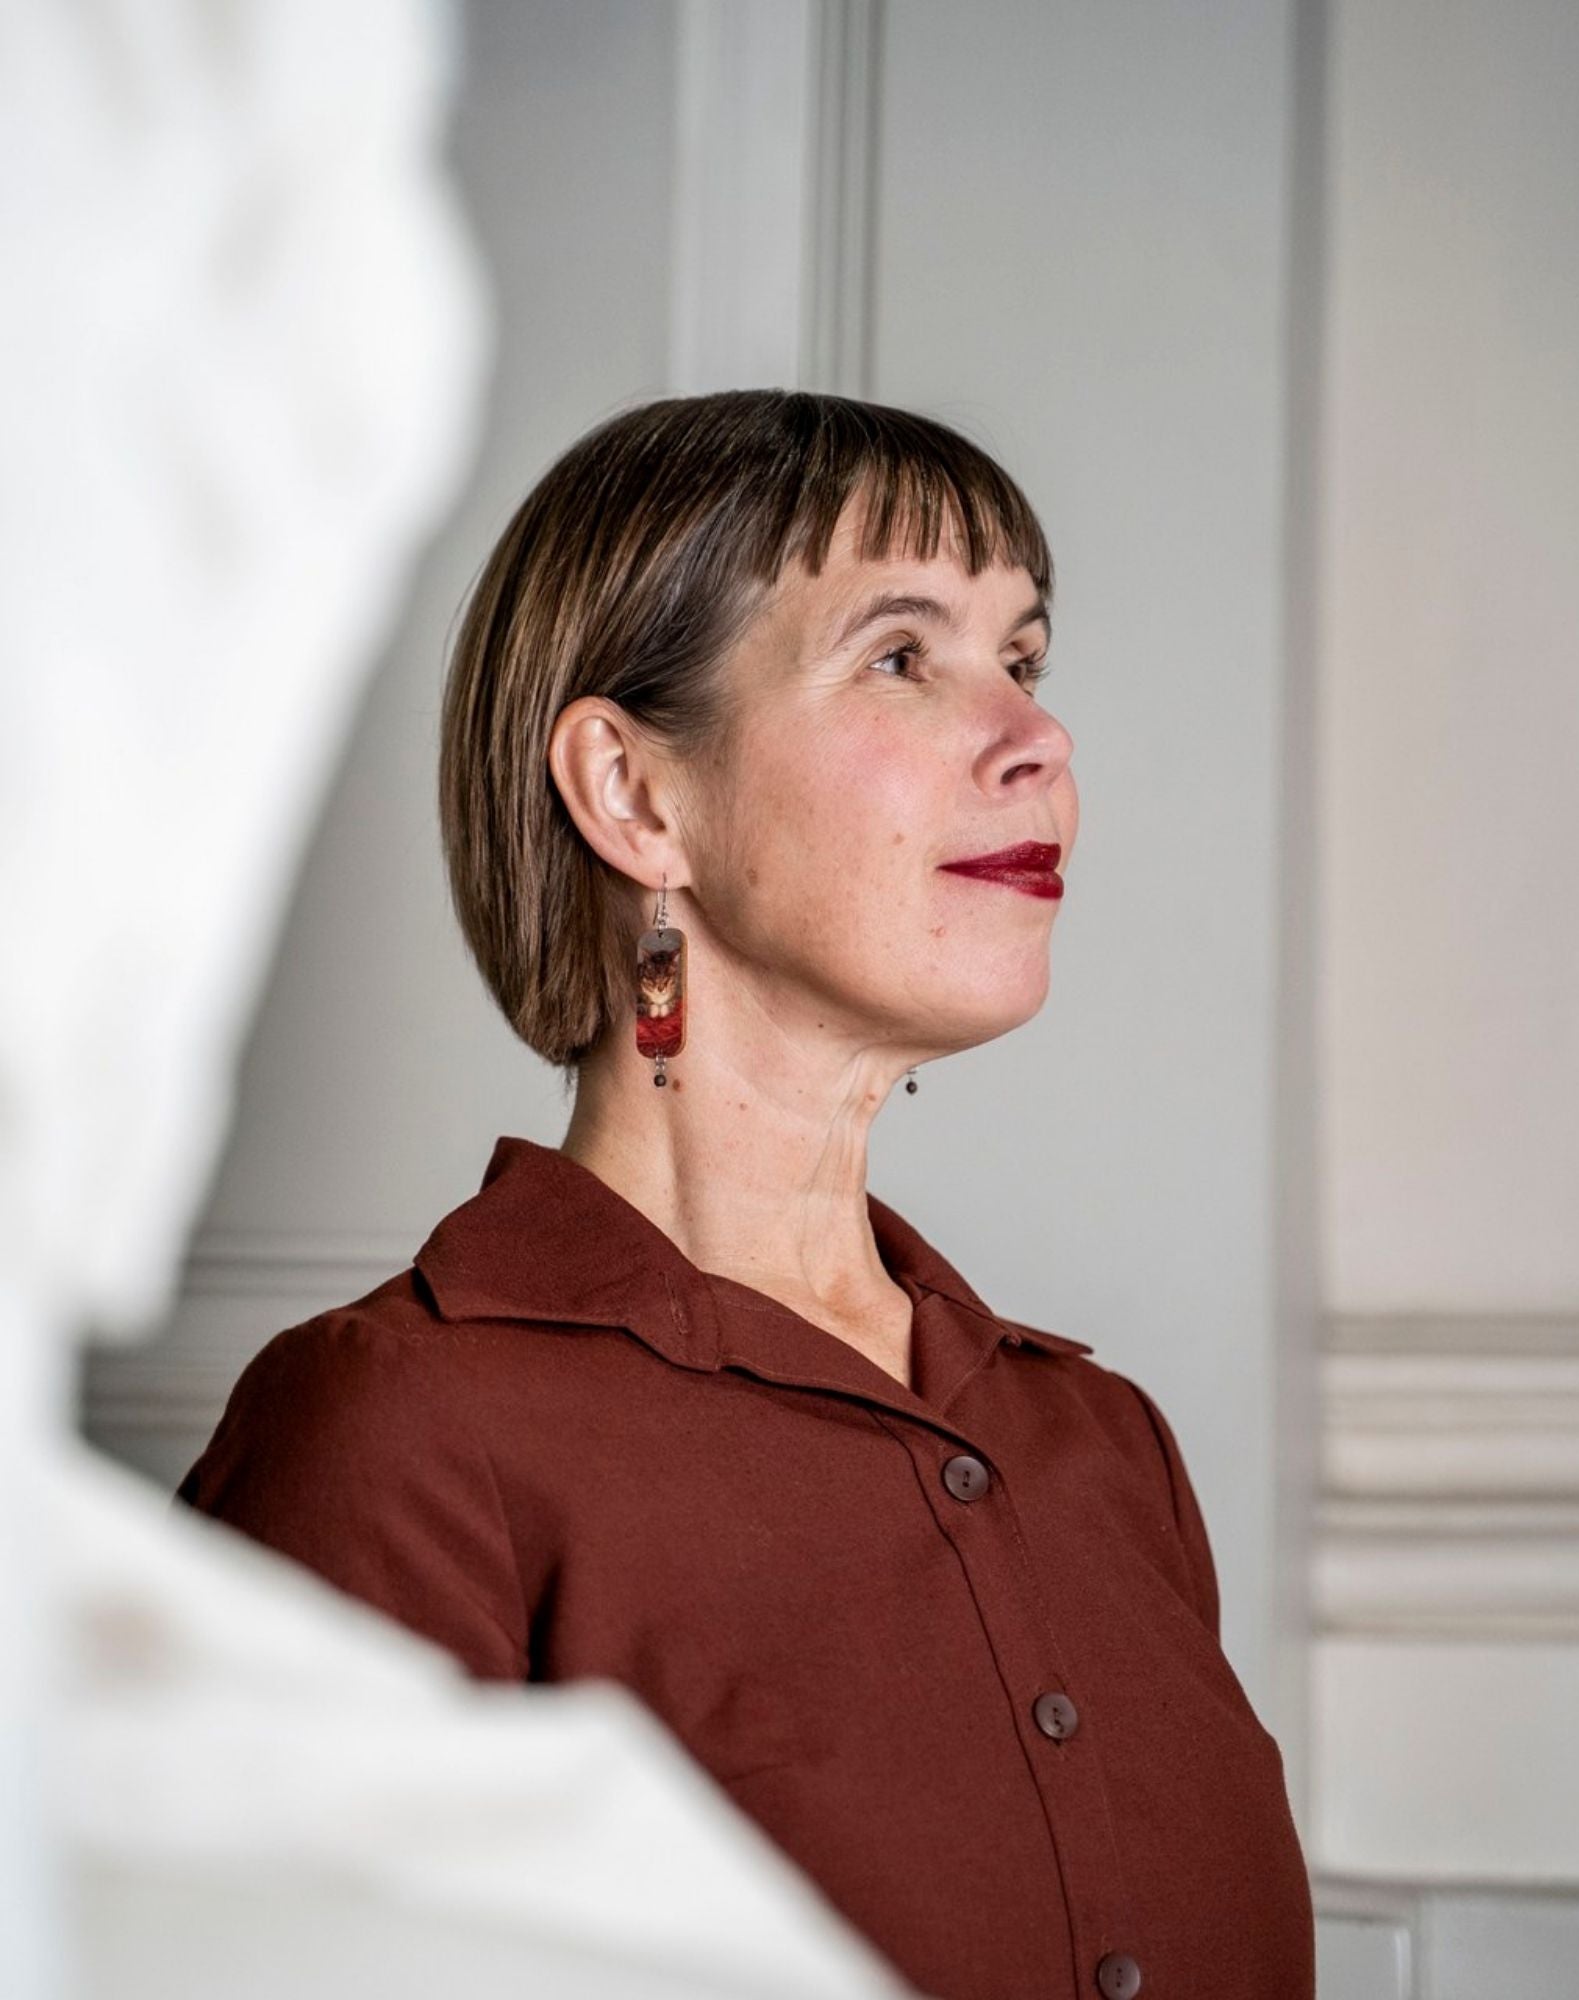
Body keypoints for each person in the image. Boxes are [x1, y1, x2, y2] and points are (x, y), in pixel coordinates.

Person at [176, 388, 1315, 2000]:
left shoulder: (1107, 1447)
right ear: (635, 797)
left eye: (1025, 658)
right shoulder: (399, 1438)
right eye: (902, 656)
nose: (1036, 736)